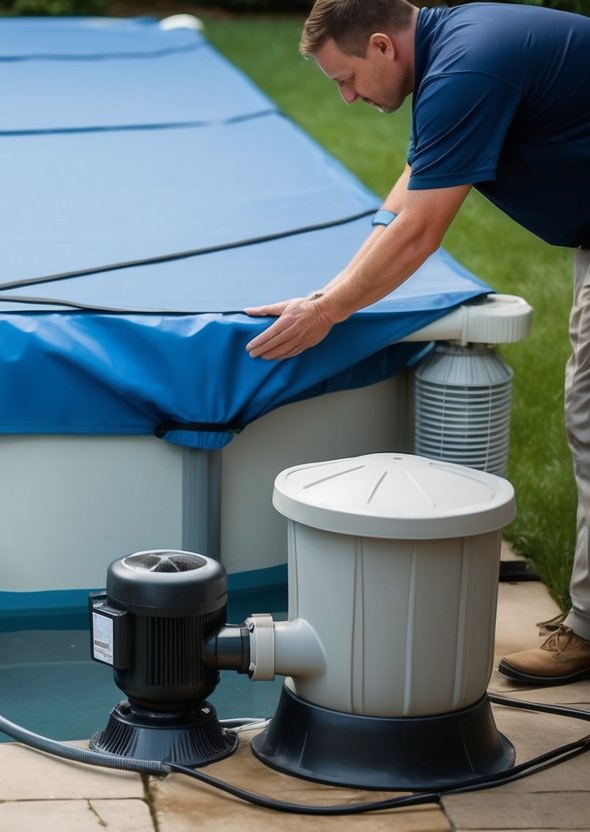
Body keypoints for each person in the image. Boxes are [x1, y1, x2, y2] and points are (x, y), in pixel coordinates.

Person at [245, 0, 590, 685]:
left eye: (344, 79)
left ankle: (588, 627)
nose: (345, 98)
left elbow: (420, 231)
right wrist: (327, 291)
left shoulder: (467, 66)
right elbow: (410, 188)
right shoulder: (457, 50)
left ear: (380, 45)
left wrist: (330, 312)